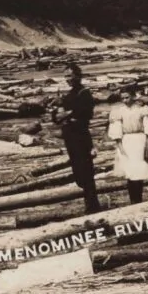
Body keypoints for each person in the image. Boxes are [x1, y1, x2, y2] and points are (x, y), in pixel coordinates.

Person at [53, 63, 101, 214]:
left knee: (85, 170)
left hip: (81, 135)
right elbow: (55, 117)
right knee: (78, 171)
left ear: (78, 76)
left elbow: (85, 112)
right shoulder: (69, 95)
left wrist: (66, 114)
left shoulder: (84, 93)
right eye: (66, 76)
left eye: (70, 76)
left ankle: (93, 205)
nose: (68, 79)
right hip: (70, 136)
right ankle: (89, 202)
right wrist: (60, 113)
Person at [107, 84, 148, 204]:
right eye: (123, 98)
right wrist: (120, 146)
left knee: (139, 171)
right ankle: (133, 200)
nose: (125, 100)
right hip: (126, 141)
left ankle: (138, 198)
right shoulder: (119, 111)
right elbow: (116, 130)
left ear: (133, 96)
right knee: (129, 171)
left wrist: (147, 145)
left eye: (127, 97)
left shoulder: (141, 109)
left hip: (140, 141)